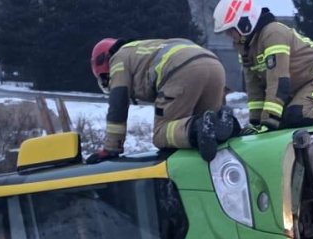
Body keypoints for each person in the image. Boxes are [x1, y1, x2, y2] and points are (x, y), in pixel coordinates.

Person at [212, 0, 313, 133]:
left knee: (297, 115)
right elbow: (254, 88)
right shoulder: (245, 48)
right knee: (283, 119)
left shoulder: (273, 34)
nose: (229, 36)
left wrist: (269, 120)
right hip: (301, 83)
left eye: (230, 30)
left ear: (245, 22)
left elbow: (278, 80)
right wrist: (256, 122)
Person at [88, 37, 238, 163]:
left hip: (183, 69)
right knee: (210, 131)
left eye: (106, 78)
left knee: (162, 134)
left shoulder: (118, 59)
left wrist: (111, 148)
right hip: (214, 65)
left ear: (104, 61)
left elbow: (118, 103)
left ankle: (198, 126)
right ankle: (224, 121)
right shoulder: (141, 49)